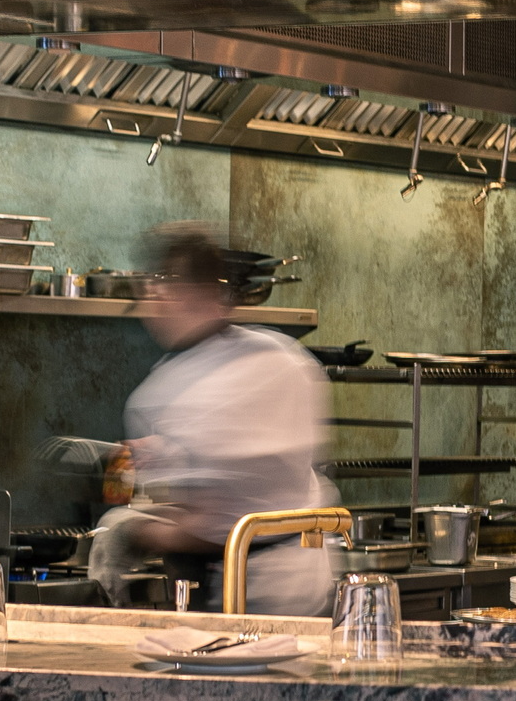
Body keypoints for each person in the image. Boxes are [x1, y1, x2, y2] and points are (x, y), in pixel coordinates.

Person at [86, 226, 339, 616]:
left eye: (158, 291)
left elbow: (205, 522)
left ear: (168, 294)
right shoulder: (286, 356)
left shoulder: (168, 393)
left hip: (241, 594)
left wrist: (127, 530)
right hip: (308, 586)